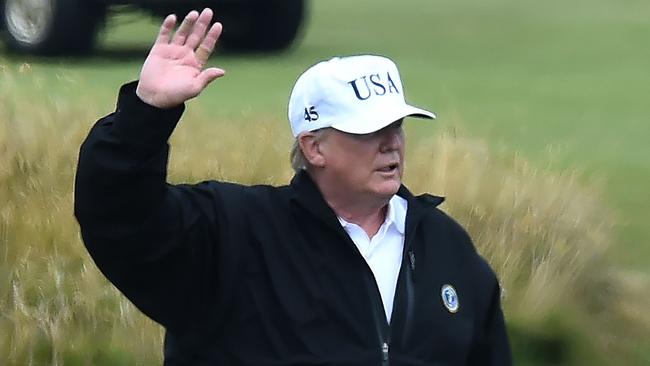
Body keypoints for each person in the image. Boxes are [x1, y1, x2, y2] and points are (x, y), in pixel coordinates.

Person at [74, 8, 511, 366]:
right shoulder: (234, 234)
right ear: (314, 147)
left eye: (396, 125)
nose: (390, 143)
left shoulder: (445, 247)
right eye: (368, 130)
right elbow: (119, 218)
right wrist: (145, 115)